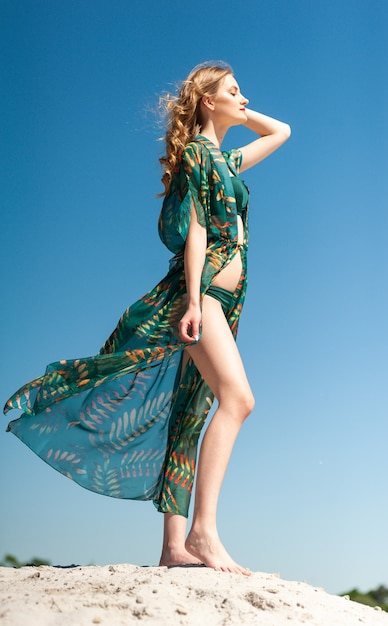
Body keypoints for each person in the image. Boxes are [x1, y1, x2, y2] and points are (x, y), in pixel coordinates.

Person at [4, 62, 291, 575]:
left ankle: (172, 548)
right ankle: (203, 532)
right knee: (238, 400)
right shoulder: (199, 157)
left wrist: (238, 112)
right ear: (207, 100)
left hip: (226, 301)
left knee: (191, 410)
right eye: (233, 90)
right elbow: (197, 230)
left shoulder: (226, 160)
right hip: (200, 294)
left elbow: (282, 132)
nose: (244, 98)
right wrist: (193, 303)